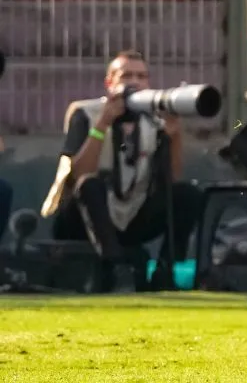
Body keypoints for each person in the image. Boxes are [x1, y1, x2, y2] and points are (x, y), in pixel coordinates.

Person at [40, 50, 203, 291]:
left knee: (188, 194)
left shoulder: (154, 120)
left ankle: (164, 269)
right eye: (126, 76)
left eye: (141, 76)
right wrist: (102, 124)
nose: (135, 83)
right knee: (89, 185)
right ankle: (115, 268)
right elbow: (77, 174)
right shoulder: (85, 112)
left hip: (132, 213)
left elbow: (172, 178)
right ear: (110, 82)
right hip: (84, 219)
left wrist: (174, 135)